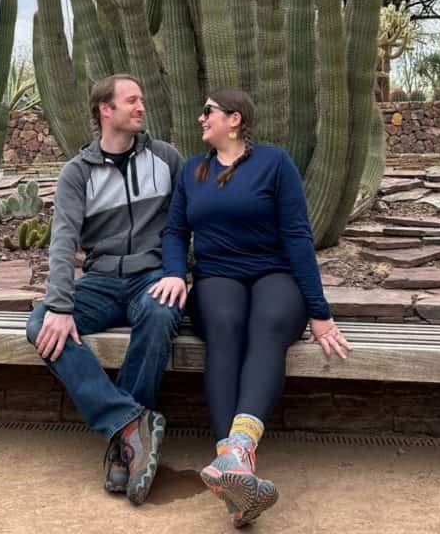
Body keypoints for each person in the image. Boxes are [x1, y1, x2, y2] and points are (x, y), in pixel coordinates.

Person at [150, 88, 350, 527]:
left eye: (209, 111)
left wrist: (319, 312)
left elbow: (297, 236)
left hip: (273, 272)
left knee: (270, 323)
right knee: (224, 324)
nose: (201, 118)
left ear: (234, 119)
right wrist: (172, 271)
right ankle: (234, 472)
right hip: (217, 274)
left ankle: (238, 451)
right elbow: (174, 231)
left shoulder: (274, 163)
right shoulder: (192, 170)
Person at [26, 74, 184, 506]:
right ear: (106, 110)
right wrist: (59, 305)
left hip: (151, 277)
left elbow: (185, 223)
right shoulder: (77, 173)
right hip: (99, 282)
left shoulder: (166, 158)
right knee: (40, 323)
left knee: (158, 314)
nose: (141, 107)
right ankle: (130, 424)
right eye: (131, 100)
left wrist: (179, 272)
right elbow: (62, 241)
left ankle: (123, 449)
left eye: (142, 100)